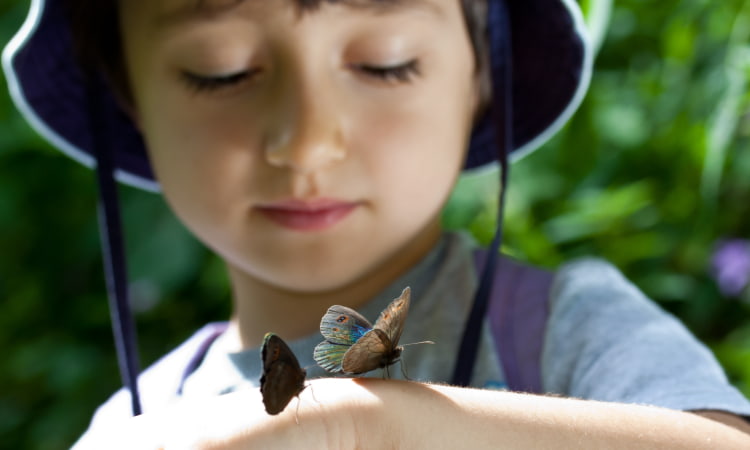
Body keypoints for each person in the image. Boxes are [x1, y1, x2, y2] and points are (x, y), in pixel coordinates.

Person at [4, 0, 750, 448]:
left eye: (386, 63)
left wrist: (360, 426)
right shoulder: (136, 429)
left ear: (482, 77)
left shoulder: (558, 331)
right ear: (125, 93)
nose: (306, 142)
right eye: (219, 69)